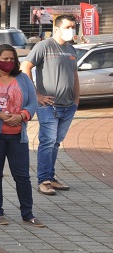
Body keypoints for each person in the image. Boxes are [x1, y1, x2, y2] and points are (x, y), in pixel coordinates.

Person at [0, 44, 43, 227]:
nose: (9, 62)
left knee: (22, 176)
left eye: (12, 59)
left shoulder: (22, 78)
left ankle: (27, 214)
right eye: (5, 59)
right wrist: (0, 115)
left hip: (17, 135)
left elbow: (33, 103)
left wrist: (21, 116)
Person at [20, 14, 80, 196]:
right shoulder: (44, 46)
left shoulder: (71, 50)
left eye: (73, 27)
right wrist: (36, 95)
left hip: (68, 106)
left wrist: (76, 100)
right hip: (49, 106)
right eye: (68, 27)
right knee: (47, 142)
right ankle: (44, 180)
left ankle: (51, 177)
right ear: (57, 29)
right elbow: (25, 66)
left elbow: (74, 75)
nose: (71, 30)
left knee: (55, 143)